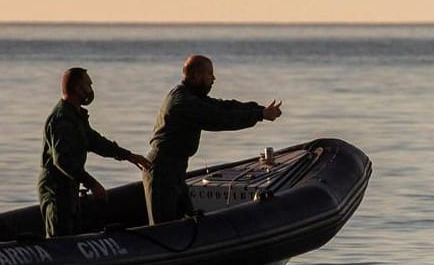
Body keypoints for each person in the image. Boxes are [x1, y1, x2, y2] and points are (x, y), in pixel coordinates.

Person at [145, 55, 283, 224]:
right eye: (210, 74)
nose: (214, 78)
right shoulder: (183, 101)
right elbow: (218, 118)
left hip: (176, 169)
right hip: (162, 169)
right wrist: (259, 115)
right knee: (164, 229)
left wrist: (260, 110)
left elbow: (224, 106)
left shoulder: (192, 95)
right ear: (196, 76)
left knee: (186, 225)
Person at [37, 68, 151, 238]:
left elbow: (96, 142)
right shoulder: (62, 119)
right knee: (60, 236)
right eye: (88, 84)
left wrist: (129, 156)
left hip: (69, 187)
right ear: (77, 88)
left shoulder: (75, 116)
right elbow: (62, 161)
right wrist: (91, 183)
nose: (91, 89)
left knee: (73, 234)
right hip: (56, 188)